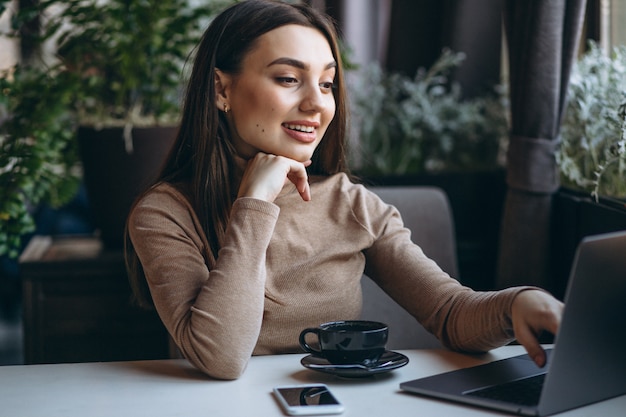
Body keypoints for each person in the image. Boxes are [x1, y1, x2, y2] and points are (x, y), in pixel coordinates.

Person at [125, 0, 563, 380]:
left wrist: (517, 305)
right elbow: (218, 357)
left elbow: (450, 312)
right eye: (288, 79)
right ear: (222, 89)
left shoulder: (351, 204)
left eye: (327, 83)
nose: (317, 104)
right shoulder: (165, 213)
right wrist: (254, 202)